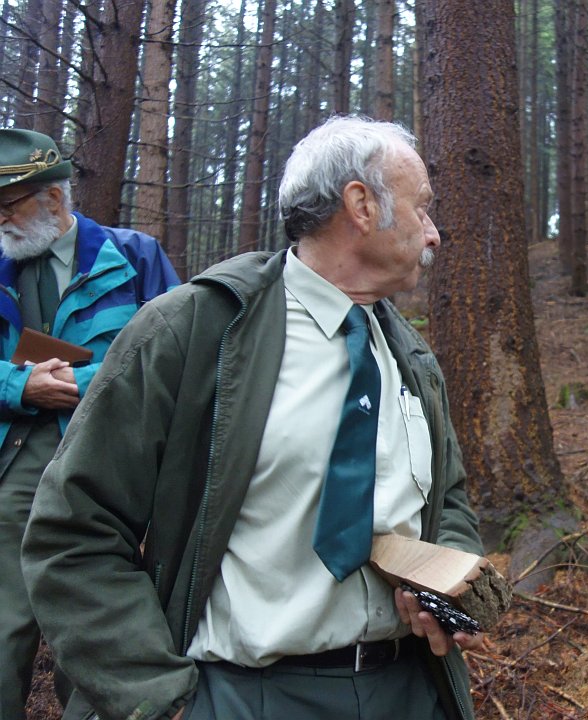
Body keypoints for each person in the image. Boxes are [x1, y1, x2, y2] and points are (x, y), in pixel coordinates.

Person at [21, 115, 484, 720]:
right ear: (361, 206)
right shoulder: (193, 331)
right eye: (422, 208)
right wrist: (157, 696)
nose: (434, 234)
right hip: (242, 695)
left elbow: (447, 499)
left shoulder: (410, 356)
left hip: (411, 689)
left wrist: (445, 580)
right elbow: (75, 529)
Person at [0, 128, 179, 720]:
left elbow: (179, 354)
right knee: (2, 628)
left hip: (111, 473)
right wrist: (18, 385)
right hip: (12, 470)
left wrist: (88, 383)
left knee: (99, 631)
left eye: (8, 206)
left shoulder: (134, 257)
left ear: (54, 198)